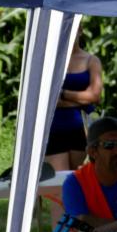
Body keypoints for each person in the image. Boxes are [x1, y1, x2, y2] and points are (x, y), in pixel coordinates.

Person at [45, 29, 103, 173]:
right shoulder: (51, 60)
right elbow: (47, 98)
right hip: (54, 127)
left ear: (80, 31)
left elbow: (95, 96)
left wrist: (63, 94)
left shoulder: (92, 61)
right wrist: (82, 99)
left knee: (76, 178)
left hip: (82, 130)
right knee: (58, 180)